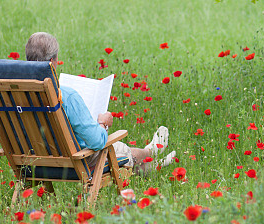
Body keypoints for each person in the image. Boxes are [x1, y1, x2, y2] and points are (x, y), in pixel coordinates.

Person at [24, 32, 175, 174]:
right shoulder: (65, 96)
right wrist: (103, 123)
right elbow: (96, 142)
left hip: (34, 162)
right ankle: (151, 153)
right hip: (76, 161)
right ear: (52, 62)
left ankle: (149, 166)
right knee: (118, 149)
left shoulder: (16, 95)